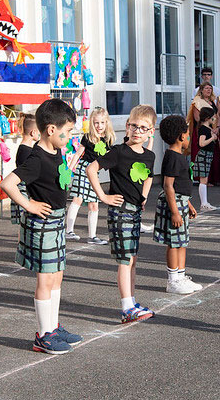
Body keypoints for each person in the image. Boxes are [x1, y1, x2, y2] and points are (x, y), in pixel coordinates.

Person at [0, 99, 82, 354]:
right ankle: (43, 335)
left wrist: (71, 165)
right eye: (67, 132)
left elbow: (57, 181)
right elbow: (8, 184)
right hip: (43, 223)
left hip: (56, 221)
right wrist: (30, 205)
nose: (69, 136)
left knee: (57, 276)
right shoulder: (35, 158)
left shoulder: (56, 151)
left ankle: (53, 327)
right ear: (50, 130)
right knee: (45, 279)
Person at [87, 105, 157, 323]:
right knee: (125, 260)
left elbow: (148, 177)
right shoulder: (118, 151)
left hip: (135, 212)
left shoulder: (150, 155)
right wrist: (103, 197)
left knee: (133, 259)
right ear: (127, 127)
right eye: (134, 126)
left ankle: (132, 300)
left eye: (143, 128)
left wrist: (144, 197)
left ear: (151, 132)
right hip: (120, 212)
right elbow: (91, 169)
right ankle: (126, 307)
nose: (137, 131)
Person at [154, 115, 201, 294]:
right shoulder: (173, 157)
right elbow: (168, 185)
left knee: (182, 241)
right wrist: (175, 211)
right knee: (174, 243)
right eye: (188, 134)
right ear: (181, 136)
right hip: (174, 204)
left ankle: (181, 277)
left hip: (181, 202)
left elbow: (180, 185)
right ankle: (173, 281)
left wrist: (187, 204)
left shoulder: (178, 156)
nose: (189, 137)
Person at [66, 107, 114, 245]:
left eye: (102, 123)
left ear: (107, 123)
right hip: (83, 169)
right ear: (92, 123)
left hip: (94, 174)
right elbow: (77, 154)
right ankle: (69, 231)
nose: (99, 126)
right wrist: (69, 170)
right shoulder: (87, 137)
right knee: (78, 199)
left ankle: (92, 237)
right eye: (96, 123)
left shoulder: (108, 140)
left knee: (94, 205)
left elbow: (111, 159)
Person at [189, 82, 220, 186]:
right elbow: (197, 118)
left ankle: (212, 178)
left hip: (214, 130)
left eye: (210, 88)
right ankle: (201, 179)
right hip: (203, 130)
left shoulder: (212, 101)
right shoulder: (197, 101)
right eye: (206, 88)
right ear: (201, 90)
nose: (208, 90)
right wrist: (208, 127)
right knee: (201, 153)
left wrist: (217, 127)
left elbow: (217, 115)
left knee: (213, 155)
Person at [11, 114, 38, 225]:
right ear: (33, 132)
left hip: (23, 188)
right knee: (24, 223)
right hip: (23, 190)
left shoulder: (24, 148)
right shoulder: (26, 151)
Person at [192, 107, 218, 210]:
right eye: (213, 117)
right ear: (208, 118)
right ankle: (204, 203)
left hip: (207, 155)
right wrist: (212, 138)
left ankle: (205, 202)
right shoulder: (203, 129)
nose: (215, 118)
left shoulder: (207, 128)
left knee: (204, 179)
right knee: (203, 179)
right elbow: (201, 143)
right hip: (204, 154)